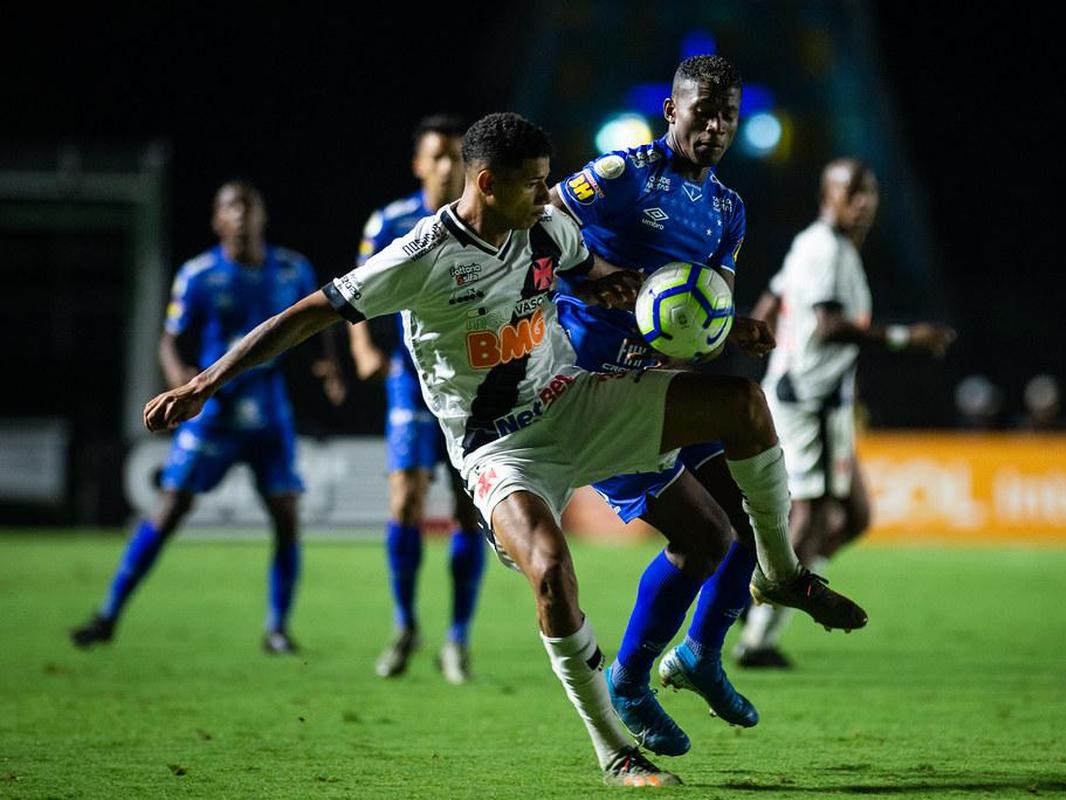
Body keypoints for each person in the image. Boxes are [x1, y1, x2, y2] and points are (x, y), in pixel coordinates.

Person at [141, 113, 866, 786]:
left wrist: (717, 325)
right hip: (502, 451)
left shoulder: (545, 226)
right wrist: (206, 381)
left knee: (740, 410)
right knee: (550, 570)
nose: (549, 191)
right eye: (534, 180)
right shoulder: (420, 255)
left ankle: (776, 571)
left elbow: (610, 283)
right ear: (486, 182)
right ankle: (615, 750)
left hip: (577, 400)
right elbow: (305, 315)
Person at [550, 54, 839, 757]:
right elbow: (540, 218)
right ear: (670, 111)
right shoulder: (620, 176)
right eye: (701, 111)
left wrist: (729, 327)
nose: (713, 126)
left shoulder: (727, 210)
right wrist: (589, 278)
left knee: (755, 503)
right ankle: (628, 679)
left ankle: (702, 655)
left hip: (657, 386)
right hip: (588, 393)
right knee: (706, 539)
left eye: (726, 116)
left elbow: (696, 317)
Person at [71, 180, 345, 654]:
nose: (240, 216)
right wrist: (182, 384)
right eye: (230, 208)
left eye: (248, 206)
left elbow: (321, 317)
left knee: (286, 516)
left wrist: (329, 365)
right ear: (218, 221)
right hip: (213, 409)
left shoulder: (291, 268)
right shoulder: (198, 276)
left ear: (262, 216)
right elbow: (170, 339)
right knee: (170, 509)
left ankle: (277, 629)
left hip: (270, 411)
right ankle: (108, 614)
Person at [734, 159, 954, 667]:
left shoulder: (815, 244)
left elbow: (776, 293)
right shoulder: (828, 251)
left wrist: (762, 329)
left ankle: (764, 596)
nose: (863, 203)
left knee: (854, 515)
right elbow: (830, 326)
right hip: (808, 403)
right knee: (811, 514)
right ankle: (759, 632)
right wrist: (906, 337)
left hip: (815, 400)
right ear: (826, 195)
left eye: (870, 193)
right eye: (851, 192)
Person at [348, 114, 485, 684]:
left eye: (457, 155)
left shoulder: (486, 218)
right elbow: (353, 290)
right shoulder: (391, 221)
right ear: (420, 164)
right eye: (439, 156)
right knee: (405, 499)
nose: (449, 166)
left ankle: (457, 639)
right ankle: (405, 624)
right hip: (411, 377)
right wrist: (361, 349)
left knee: (468, 508)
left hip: (474, 381)